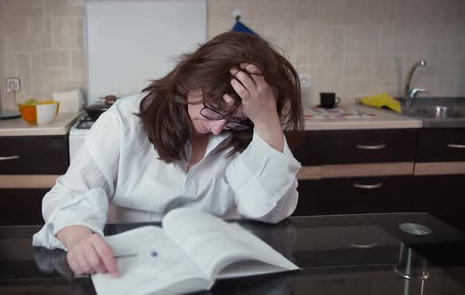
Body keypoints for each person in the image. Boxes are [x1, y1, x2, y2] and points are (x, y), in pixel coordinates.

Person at [32, 31, 303, 277]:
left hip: (213, 266)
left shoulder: (245, 133)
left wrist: (266, 123)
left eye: (236, 119)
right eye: (215, 107)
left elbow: (267, 212)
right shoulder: (125, 120)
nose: (219, 127)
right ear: (192, 81)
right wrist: (79, 239)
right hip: (129, 265)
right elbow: (69, 195)